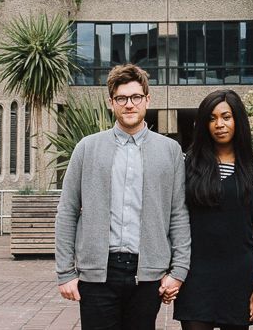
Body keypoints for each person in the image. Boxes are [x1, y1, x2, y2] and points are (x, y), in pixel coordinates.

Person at [55, 63, 191, 330]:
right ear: (111, 102)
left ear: (147, 99)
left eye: (136, 97)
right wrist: (65, 273)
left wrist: (179, 271)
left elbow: (178, 213)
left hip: (147, 274)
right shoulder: (87, 148)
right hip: (97, 275)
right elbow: (67, 211)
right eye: (122, 98)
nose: (129, 104)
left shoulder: (170, 151)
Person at [172, 89, 253, 330]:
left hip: (239, 275)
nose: (219, 124)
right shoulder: (188, 164)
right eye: (212, 118)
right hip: (195, 275)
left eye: (226, 117)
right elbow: (174, 218)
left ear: (238, 120)